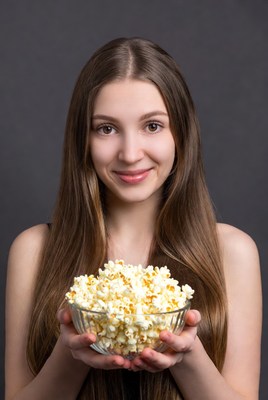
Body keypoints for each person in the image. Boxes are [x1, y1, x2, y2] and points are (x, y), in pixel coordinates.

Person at [5, 37, 262, 400]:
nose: (129, 153)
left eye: (152, 126)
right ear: (83, 138)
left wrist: (186, 357)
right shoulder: (34, 250)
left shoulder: (233, 252)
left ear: (181, 134)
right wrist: (72, 353)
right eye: (106, 128)